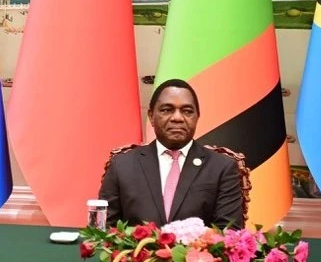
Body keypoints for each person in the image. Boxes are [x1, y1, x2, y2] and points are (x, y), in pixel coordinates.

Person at [98, 79, 243, 227]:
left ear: (197, 117)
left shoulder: (222, 168)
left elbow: (229, 233)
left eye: (187, 111)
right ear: (151, 116)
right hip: (136, 250)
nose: (177, 118)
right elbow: (104, 231)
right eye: (167, 110)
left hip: (197, 250)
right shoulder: (122, 166)